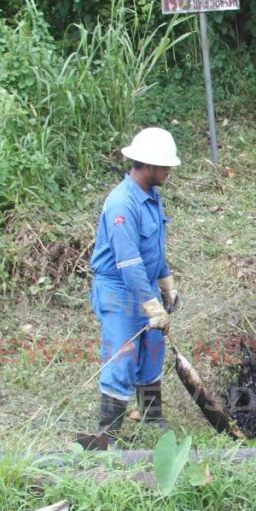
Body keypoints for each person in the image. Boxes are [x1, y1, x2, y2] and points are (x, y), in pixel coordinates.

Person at [89, 127, 181, 444]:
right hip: (119, 290)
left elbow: (153, 249)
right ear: (145, 164)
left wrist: (166, 281)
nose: (169, 171)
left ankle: (151, 417)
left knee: (153, 350)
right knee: (123, 357)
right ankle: (107, 434)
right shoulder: (121, 206)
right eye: (165, 166)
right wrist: (151, 304)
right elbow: (128, 264)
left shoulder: (151, 197)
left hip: (144, 286)